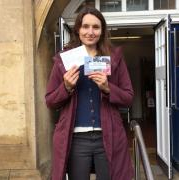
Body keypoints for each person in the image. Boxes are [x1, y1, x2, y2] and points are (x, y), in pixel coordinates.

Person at [45, 6, 134, 180]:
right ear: (78, 29)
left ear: (102, 30)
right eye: (85, 26)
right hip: (76, 138)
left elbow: (128, 97)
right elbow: (50, 101)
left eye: (96, 27)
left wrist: (108, 88)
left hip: (109, 136)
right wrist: (66, 87)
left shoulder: (114, 58)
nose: (90, 32)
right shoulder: (65, 59)